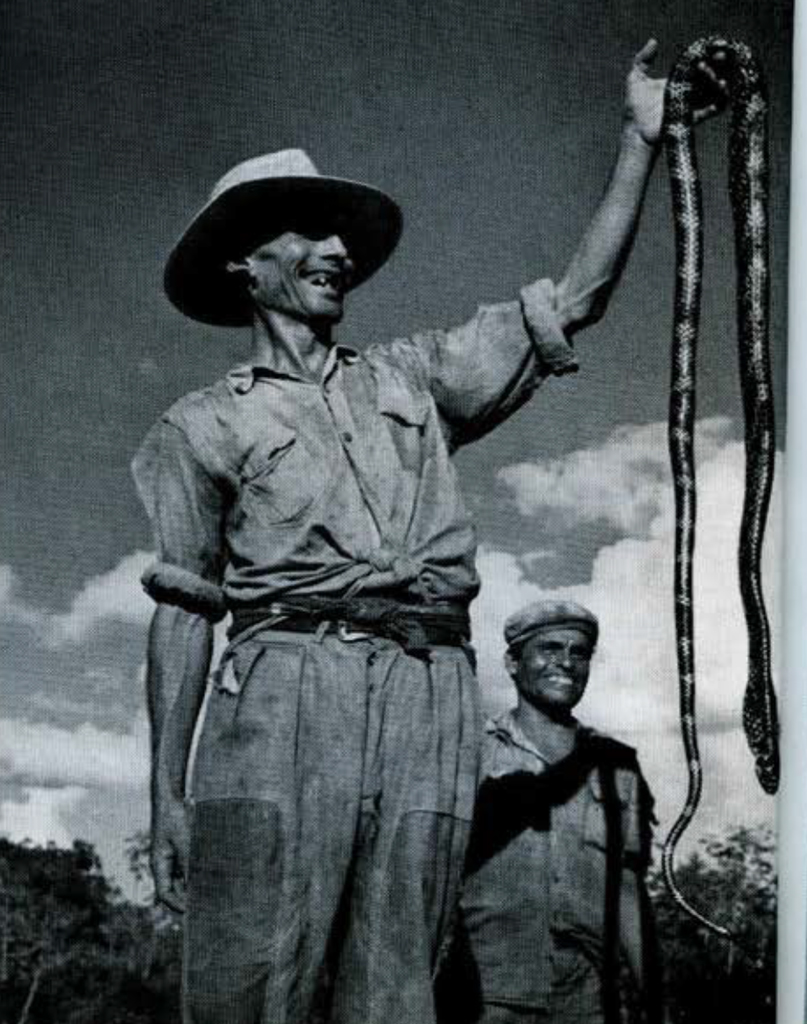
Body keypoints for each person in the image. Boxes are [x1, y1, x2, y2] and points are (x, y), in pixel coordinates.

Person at [132, 40, 723, 1024]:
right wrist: (166, 796)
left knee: (396, 986)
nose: (338, 252)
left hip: (429, 695)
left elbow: (571, 300)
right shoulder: (199, 427)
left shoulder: (414, 378)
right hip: (280, 690)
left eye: (340, 238)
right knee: (250, 982)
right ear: (244, 262)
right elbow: (187, 615)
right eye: (307, 235)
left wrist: (639, 140)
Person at [440, 600, 660, 1024]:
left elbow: (629, 891)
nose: (566, 662)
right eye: (550, 648)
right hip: (485, 994)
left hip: (588, 1001)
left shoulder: (617, 766)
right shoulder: (471, 752)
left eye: (579, 652)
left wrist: (654, 1001)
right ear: (512, 662)